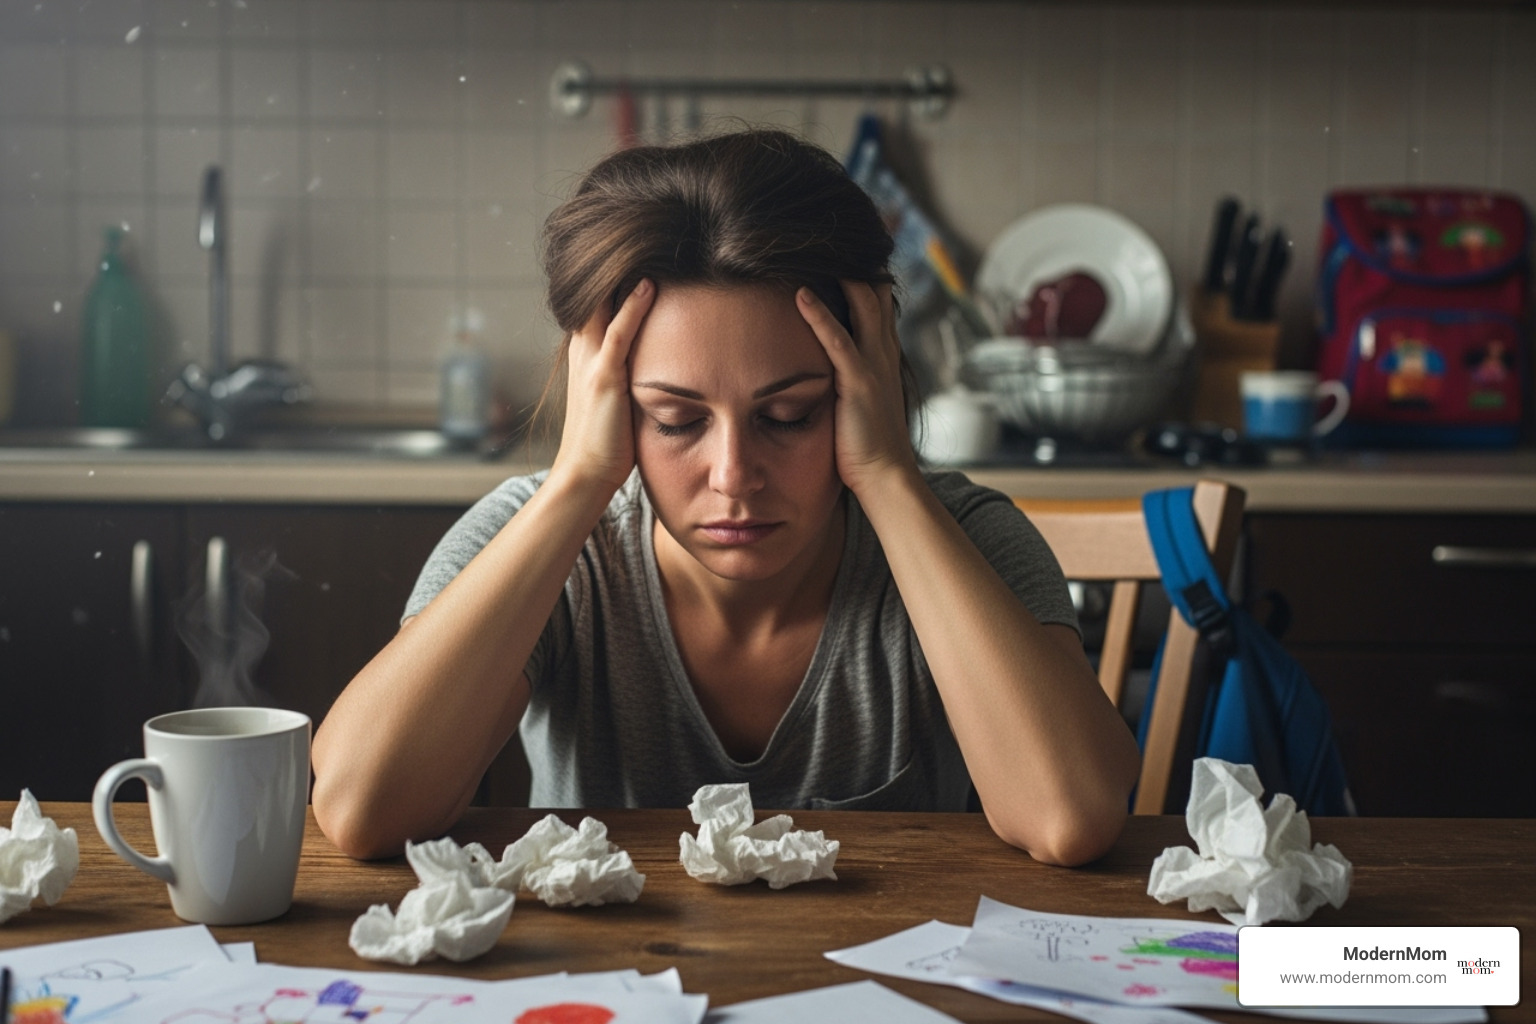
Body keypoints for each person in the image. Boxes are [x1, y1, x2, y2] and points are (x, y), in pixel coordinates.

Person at [311, 128, 1141, 866]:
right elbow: (361, 809)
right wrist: (578, 484)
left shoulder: (966, 539)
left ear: (866, 385)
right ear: (610, 402)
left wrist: (889, 476)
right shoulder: (530, 540)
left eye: (790, 415)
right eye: (674, 420)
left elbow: (1070, 817)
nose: (734, 474)